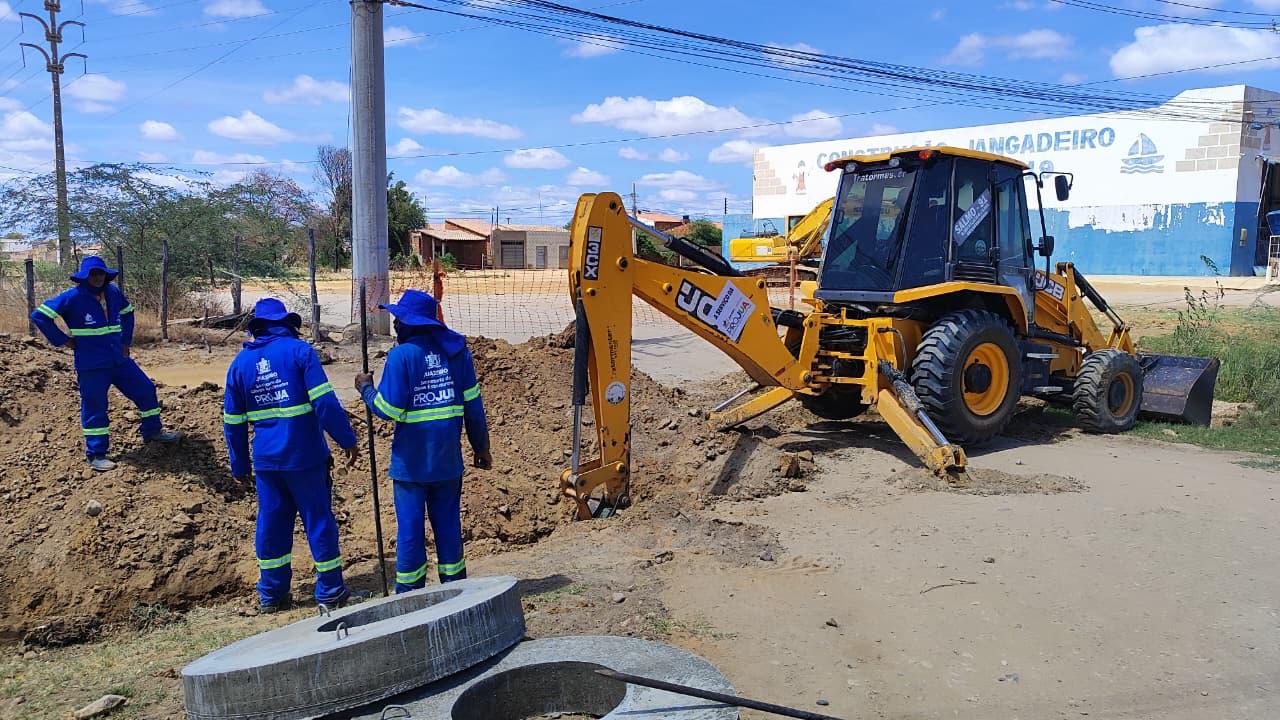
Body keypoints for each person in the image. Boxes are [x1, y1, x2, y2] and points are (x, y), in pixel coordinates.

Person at [223, 298, 359, 612]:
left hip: (267, 463)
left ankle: (272, 595)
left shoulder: (240, 365)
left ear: (258, 327)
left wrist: (239, 464)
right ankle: (331, 591)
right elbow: (325, 404)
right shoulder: (300, 353)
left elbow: (233, 422)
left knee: (271, 524)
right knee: (318, 521)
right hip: (306, 457)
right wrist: (347, 440)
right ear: (288, 324)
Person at [355, 289, 492, 592]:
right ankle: (456, 589)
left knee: (411, 533)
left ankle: (409, 594)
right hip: (447, 464)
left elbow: (387, 410)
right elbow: (474, 409)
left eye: (399, 320)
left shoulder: (402, 356)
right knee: (448, 528)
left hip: (410, 467)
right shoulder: (457, 354)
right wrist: (481, 447)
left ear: (410, 324)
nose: (395, 326)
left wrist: (365, 389)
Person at [31, 256, 180, 471]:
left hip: (118, 359)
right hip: (92, 364)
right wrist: (63, 340)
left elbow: (128, 313)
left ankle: (153, 432)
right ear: (85, 277)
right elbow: (39, 316)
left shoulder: (113, 293)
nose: (98, 277)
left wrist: (125, 341)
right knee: (95, 407)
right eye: (93, 274)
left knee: (146, 390)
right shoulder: (72, 297)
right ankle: (97, 454)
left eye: (100, 273)